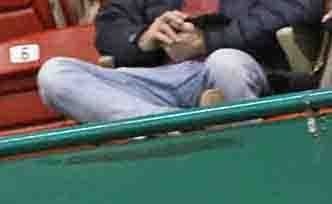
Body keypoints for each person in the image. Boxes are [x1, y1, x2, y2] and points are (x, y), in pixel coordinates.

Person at [37, 0, 323, 123]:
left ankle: (241, 148)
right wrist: (144, 38)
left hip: (239, 66)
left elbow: (299, 7)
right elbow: (109, 28)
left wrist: (207, 41)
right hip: (161, 81)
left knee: (225, 63)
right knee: (55, 75)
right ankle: (169, 128)